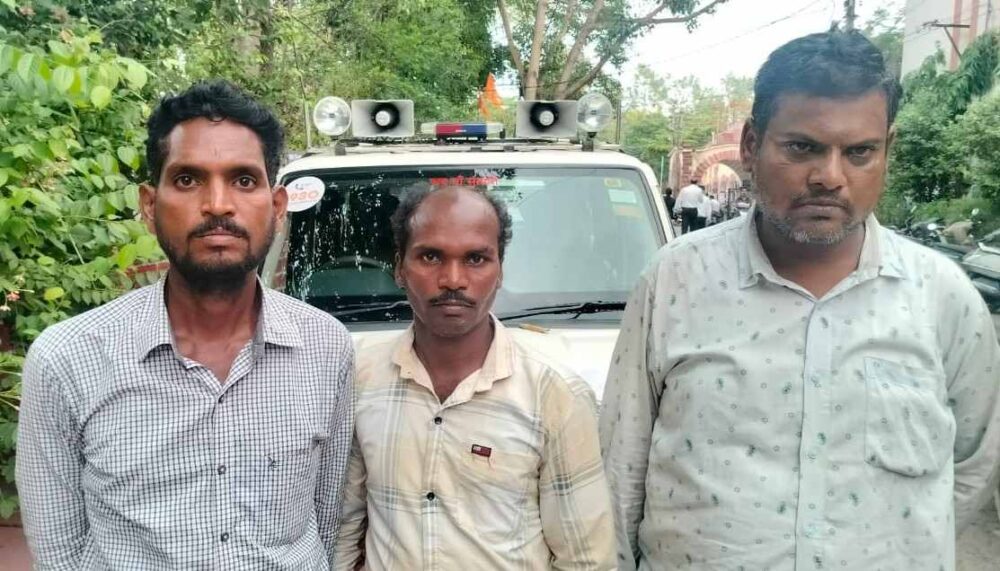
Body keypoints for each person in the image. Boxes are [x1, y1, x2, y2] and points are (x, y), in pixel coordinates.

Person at [600, 31, 1000, 570]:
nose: (829, 177)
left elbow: (973, 465)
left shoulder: (943, 297)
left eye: (859, 152)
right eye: (802, 147)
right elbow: (622, 466)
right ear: (751, 145)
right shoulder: (675, 281)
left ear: (887, 150)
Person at [15, 80, 355, 569]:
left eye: (244, 180)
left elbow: (324, 519)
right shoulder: (68, 358)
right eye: (188, 179)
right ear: (150, 206)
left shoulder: (326, 346)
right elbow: (58, 552)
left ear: (277, 207)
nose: (217, 204)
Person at [334, 185, 616, 570]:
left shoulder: (555, 394)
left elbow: (586, 558)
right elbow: (345, 527)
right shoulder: (360, 378)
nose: (453, 279)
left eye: (476, 259)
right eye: (431, 256)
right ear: (399, 267)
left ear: (500, 270)